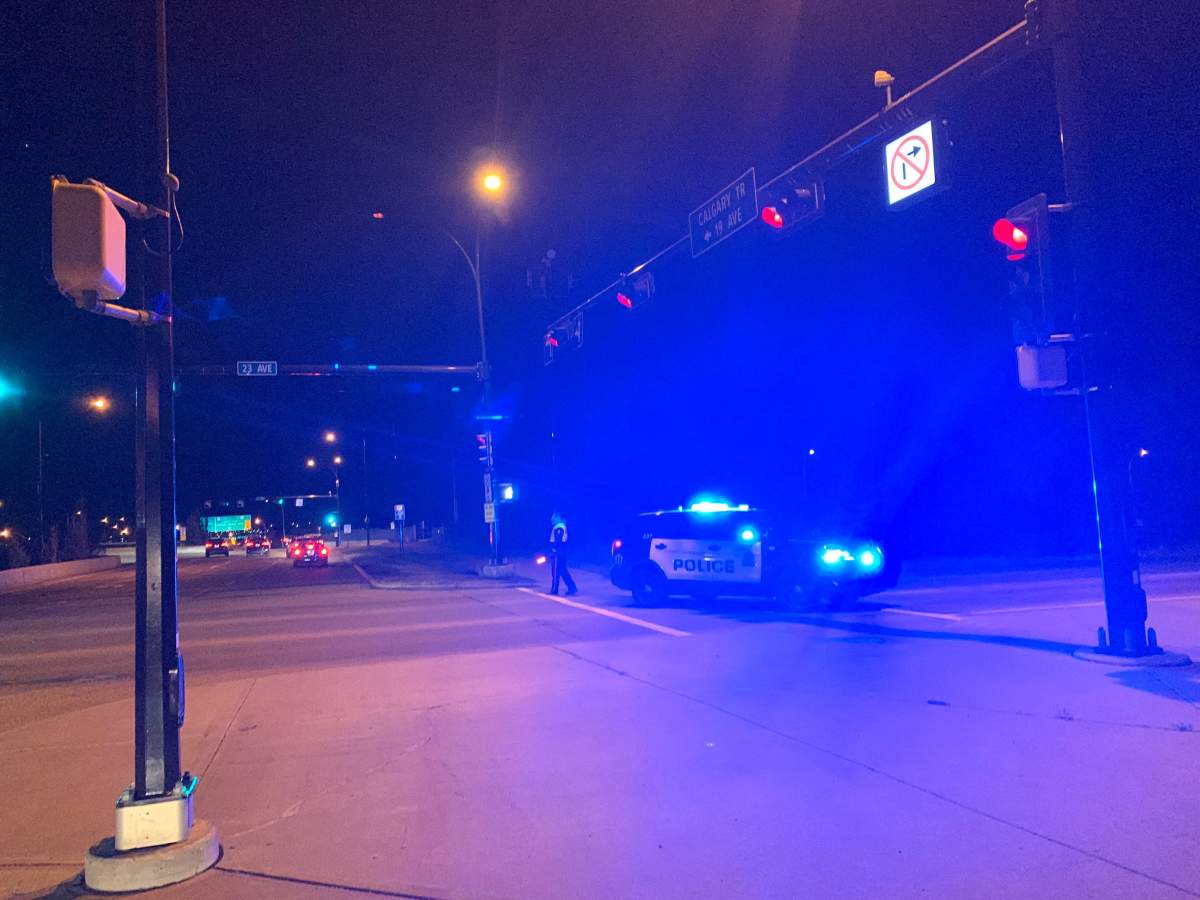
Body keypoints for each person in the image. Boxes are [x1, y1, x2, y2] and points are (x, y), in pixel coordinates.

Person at [548, 511, 577, 596]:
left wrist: (554, 550)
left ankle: (554, 589)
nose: (551, 519)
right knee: (562, 570)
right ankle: (572, 587)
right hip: (561, 552)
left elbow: (558, 541)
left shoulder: (559, 528)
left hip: (558, 553)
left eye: (553, 517)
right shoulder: (559, 527)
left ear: (558, 517)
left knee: (556, 571)